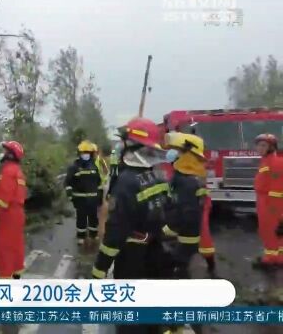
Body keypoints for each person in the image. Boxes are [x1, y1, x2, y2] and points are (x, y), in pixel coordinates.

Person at [91, 117, 171, 334]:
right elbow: (168, 212)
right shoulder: (158, 175)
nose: (120, 146)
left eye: (124, 142)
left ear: (132, 145)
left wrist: (99, 268)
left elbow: (115, 234)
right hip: (156, 253)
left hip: (132, 260)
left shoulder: (127, 182)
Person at [162, 132, 208, 279]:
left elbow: (187, 211)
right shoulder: (185, 176)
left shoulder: (187, 181)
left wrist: (170, 227)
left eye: (180, 151)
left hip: (185, 235)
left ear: (188, 155)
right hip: (184, 234)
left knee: (178, 267)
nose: (175, 154)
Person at [0, 140, 27, 279]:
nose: (3, 154)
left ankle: (5, 276)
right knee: (16, 244)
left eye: (6, 151)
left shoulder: (8, 172)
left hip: (8, 214)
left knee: (5, 246)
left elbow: (3, 199)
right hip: (18, 212)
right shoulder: (18, 172)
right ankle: (17, 271)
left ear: (11, 155)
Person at [253, 133, 283, 268]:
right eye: (258, 145)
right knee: (272, 231)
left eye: (263, 145)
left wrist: (273, 209)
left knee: (269, 230)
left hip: (271, 203)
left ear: (272, 147)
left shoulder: (276, 162)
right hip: (264, 200)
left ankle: (271, 259)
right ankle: (277, 257)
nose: (259, 148)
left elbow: (277, 187)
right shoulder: (266, 160)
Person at [65, 140, 101, 245]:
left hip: (93, 199)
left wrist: (100, 197)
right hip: (80, 199)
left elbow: (99, 183)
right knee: (81, 219)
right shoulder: (74, 167)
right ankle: (81, 237)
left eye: (88, 153)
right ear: (79, 153)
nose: (86, 155)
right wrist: (71, 197)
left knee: (93, 219)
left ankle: (93, 235)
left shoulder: (95, 166)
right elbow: (68, 183)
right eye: (83, 153)